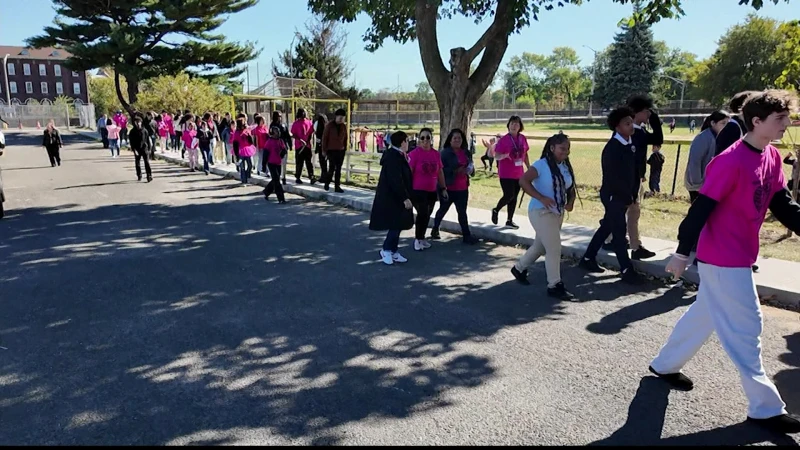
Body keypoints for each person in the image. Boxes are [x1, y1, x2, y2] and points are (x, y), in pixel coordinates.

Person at [652, 90, 800, 435]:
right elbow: (699, 210)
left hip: (740, 253)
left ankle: (664, 364)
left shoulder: (772, 157)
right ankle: (765, 408)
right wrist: (680, 253)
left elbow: (782, 205)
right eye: (780, 120)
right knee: (747, 327)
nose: (787, 125)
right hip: (722, 256)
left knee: (704, 315)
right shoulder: (729, 161)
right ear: (757, 121)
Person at [578, 107, 644, 284]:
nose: (631, 126)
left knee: (607, 226)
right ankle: (626, 269)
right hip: (613, 196)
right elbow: (613, 177)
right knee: (619, 232)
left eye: (632, 122)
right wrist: (624, 196)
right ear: (617, 127)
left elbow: (633, 173)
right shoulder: (612, 148)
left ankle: (587, 258)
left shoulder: (631, 144)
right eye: (627, 123)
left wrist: (633, 194)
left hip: (625, 195)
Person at [511, 133, 577, 300]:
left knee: (540, 246)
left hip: (557, 212)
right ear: (552, 148)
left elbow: (570, 188)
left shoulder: (564, 166)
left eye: (568, 149)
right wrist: (541, 197)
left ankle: (519, 268)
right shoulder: (540, 165)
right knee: (554, 247)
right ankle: (554, 285)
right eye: (562, 148)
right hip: (540, 211)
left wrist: (571, 202)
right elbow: (523, 181)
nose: (566, 152)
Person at [370, 130, 415, 265]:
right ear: (402, 142)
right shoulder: (393, 157)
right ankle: (386, 249)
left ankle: (394, 250)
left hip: (397, 196)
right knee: (395, 225)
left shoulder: (399, 155)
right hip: (393, 197)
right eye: (407, 141)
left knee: (399, 224)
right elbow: (396, 180)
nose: (408, 143)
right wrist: (405, 197)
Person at [430, 129, 479, 245]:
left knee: (462, 212)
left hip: (463, 188)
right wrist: (455, 171)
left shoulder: (466, 152)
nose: (457, 140)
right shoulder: (445, 153)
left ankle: (466, 236)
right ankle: (435, 228)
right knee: (443, 209)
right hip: (448, 188)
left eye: (459, 138)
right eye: (455, 138)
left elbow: (471, 165)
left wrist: (471, 171)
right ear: (450, 140)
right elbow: (440, 170)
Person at [408, 127, 447, 251]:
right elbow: (409, 172)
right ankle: (418, 239)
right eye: (422, 137)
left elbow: (440, 172)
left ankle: (422, 238)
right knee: (422, 213)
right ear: (419, 140)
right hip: (417, 190)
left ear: (431, 139)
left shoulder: (436, 154)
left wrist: (444, 188)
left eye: (428, 137)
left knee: (427, 215)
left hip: (431, 190)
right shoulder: (414, 154)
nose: (425, 140)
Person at [492, 116, 530, 229]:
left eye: (517, 124)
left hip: (518, 173)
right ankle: (496, 209)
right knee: (509, 195)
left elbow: (525, 154)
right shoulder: (504, 140)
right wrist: (506, 155)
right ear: (508, 125)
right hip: (506, 173)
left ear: (520, 126)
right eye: (512, 124)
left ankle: (509, 220)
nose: (514, 126)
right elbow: (497, 156)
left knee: (514, 197)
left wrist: (529, 167)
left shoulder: (523, 138)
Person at [684, 111, 731, 201]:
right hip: (698, 186)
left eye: (728, 124)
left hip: (710, 185)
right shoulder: (703, 138)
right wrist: (697, 185)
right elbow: (695, 162)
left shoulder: (720, 138)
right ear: (713, 123)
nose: (726, 127)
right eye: (723, 123)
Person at [321, 109, 348, 193]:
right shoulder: (329, 125)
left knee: (338, 169)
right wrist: (324, 150)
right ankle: (327, 182)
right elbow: (324, 138)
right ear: (336, 117)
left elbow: (345, 138)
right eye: (340, 117)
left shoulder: (343, 126)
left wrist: (345, 148)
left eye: (343, 118)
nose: (341, 119)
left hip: (341, 150)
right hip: (331, 150)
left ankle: (337, 186)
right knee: (332, 168)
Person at [263, 125, 287, 203]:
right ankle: (281, 198)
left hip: (278, 163)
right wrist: (264, 165)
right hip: (271, 163)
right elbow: (265, 154)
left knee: (275, 179)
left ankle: (266, 191)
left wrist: (283, 152)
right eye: (276, 132)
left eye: (278, 131)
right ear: (272, 133)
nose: (278, 133)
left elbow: (284, 149)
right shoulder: (269, 142)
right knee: (277, 180)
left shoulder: (280, 141)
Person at [291, 108, 316, 184]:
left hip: (307, 146)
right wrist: (300, 140)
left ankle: (311, 176)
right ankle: (298, 177)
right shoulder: (295, 123)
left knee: (309, 162)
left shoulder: (309, 122)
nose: (304, 114)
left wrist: (307, 141)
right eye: (303, 112)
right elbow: (293, 134)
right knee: (299, 162)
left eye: (305, 112)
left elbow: (311, 133)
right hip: (299, 146)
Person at [269, 111, 292, 183]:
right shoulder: (272, 125)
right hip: (275, 147)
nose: (280, 118)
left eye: (280, 116)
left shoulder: (283, 125)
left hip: (283, 146)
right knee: (276, 163)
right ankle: (276, 177)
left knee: (284, 163)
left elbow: (287, 135)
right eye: (278, 116)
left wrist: (290, 144)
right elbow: (270, 136)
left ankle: (284, 177)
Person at [129, 116, 153, 182]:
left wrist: (150, 149)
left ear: (141, 122)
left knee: (147, 162)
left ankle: (149, 175)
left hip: (144, 148)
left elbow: (148, 140)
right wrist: (134, 150)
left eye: (139, 122)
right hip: (137, 149)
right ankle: (139, 175)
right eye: (136, 122)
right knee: (137, 163)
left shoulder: (144, 130)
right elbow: (131, 142)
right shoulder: (132, 132)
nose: (138, 123)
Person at [313, 113, 328, 183]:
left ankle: (324, 177)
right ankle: (325, 176)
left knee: (322, 163)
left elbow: (318, 140)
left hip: (321, 147)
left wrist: (316, 149)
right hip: (327, 147)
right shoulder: (327, 127)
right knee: (324, 163)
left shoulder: (319, 129)